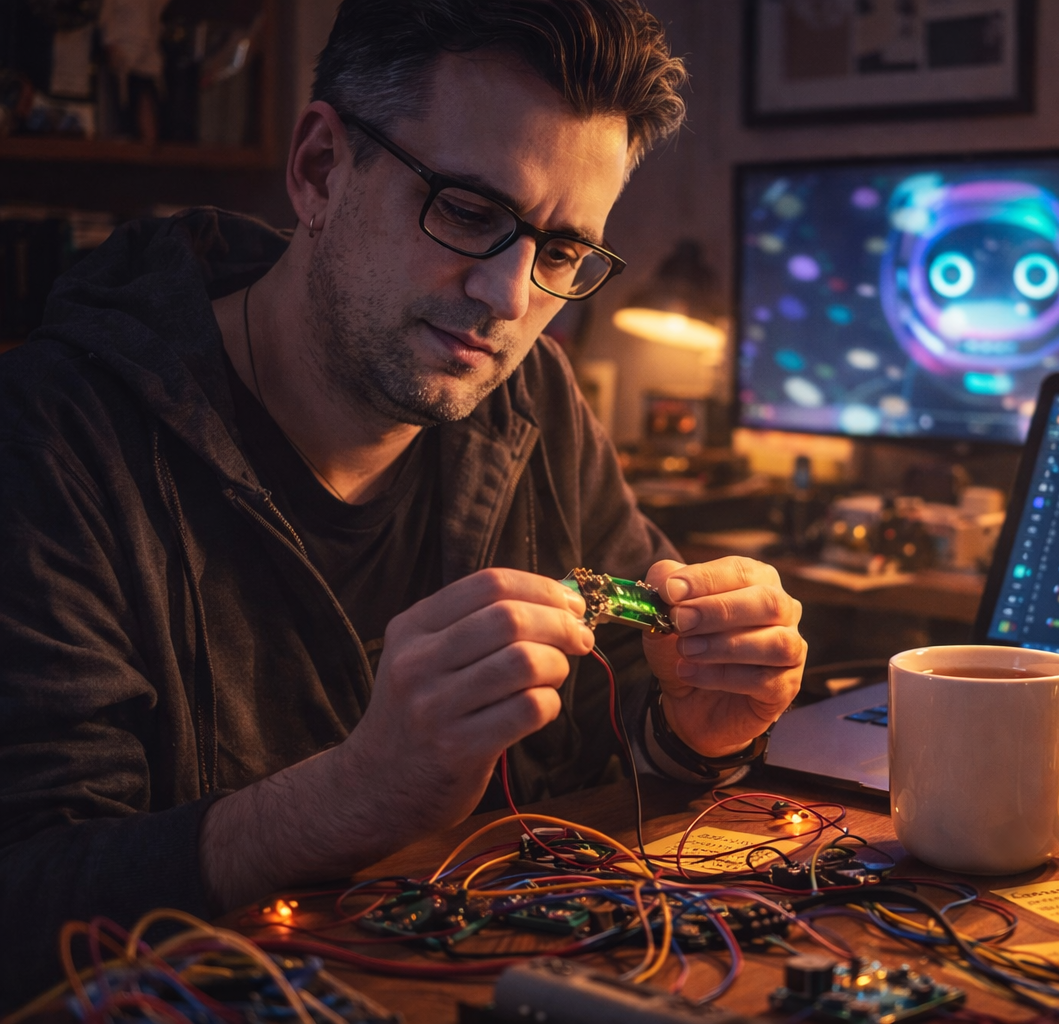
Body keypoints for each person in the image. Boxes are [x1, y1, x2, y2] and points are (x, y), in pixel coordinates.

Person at [0, 0, 806, 1006]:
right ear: (321, 169)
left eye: (560, 253)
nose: (511, 299)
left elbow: (619, 746)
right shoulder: (52, 441)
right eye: (469, 212)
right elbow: (27, 902)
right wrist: (353, 796)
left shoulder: (533, 399)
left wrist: (697, 731)